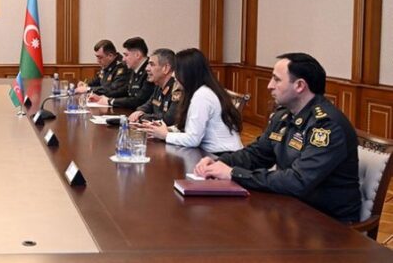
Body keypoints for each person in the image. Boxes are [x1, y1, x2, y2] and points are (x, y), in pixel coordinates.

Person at [194, 53, 360, 222]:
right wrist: (220, 162)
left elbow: (297, 181)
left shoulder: (326, 126)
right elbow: (257, 154)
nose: (269, 86)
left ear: (300, 85)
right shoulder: (283, 116)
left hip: (327, 223)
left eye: (277, 80)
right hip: (291, 209)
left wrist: (234, 173)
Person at [142, 48, 242, 154]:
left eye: (177, 71)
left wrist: (165, 135)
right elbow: (189, 127)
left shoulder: (202, 95)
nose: (173, 75)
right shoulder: (200, 91)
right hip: (212, 152)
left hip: (222, 155)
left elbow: (193, 140)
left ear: (188, 73)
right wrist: (165, 130)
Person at [91, 37, 155, 109]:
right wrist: (102, 97)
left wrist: (111, 101)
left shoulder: (149, 71)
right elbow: (124, 90)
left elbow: (138, 100)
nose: (123, 59)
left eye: (126, 55)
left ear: (137, 55)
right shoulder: (134, 69)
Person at [129, 48, 179, 126]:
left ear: (166, 68)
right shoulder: (159, 86)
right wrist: (139, 111)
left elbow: (168, 119)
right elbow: (147, 105)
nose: (147, 69)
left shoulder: (177, 89)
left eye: (152, 65)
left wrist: (141, 117)